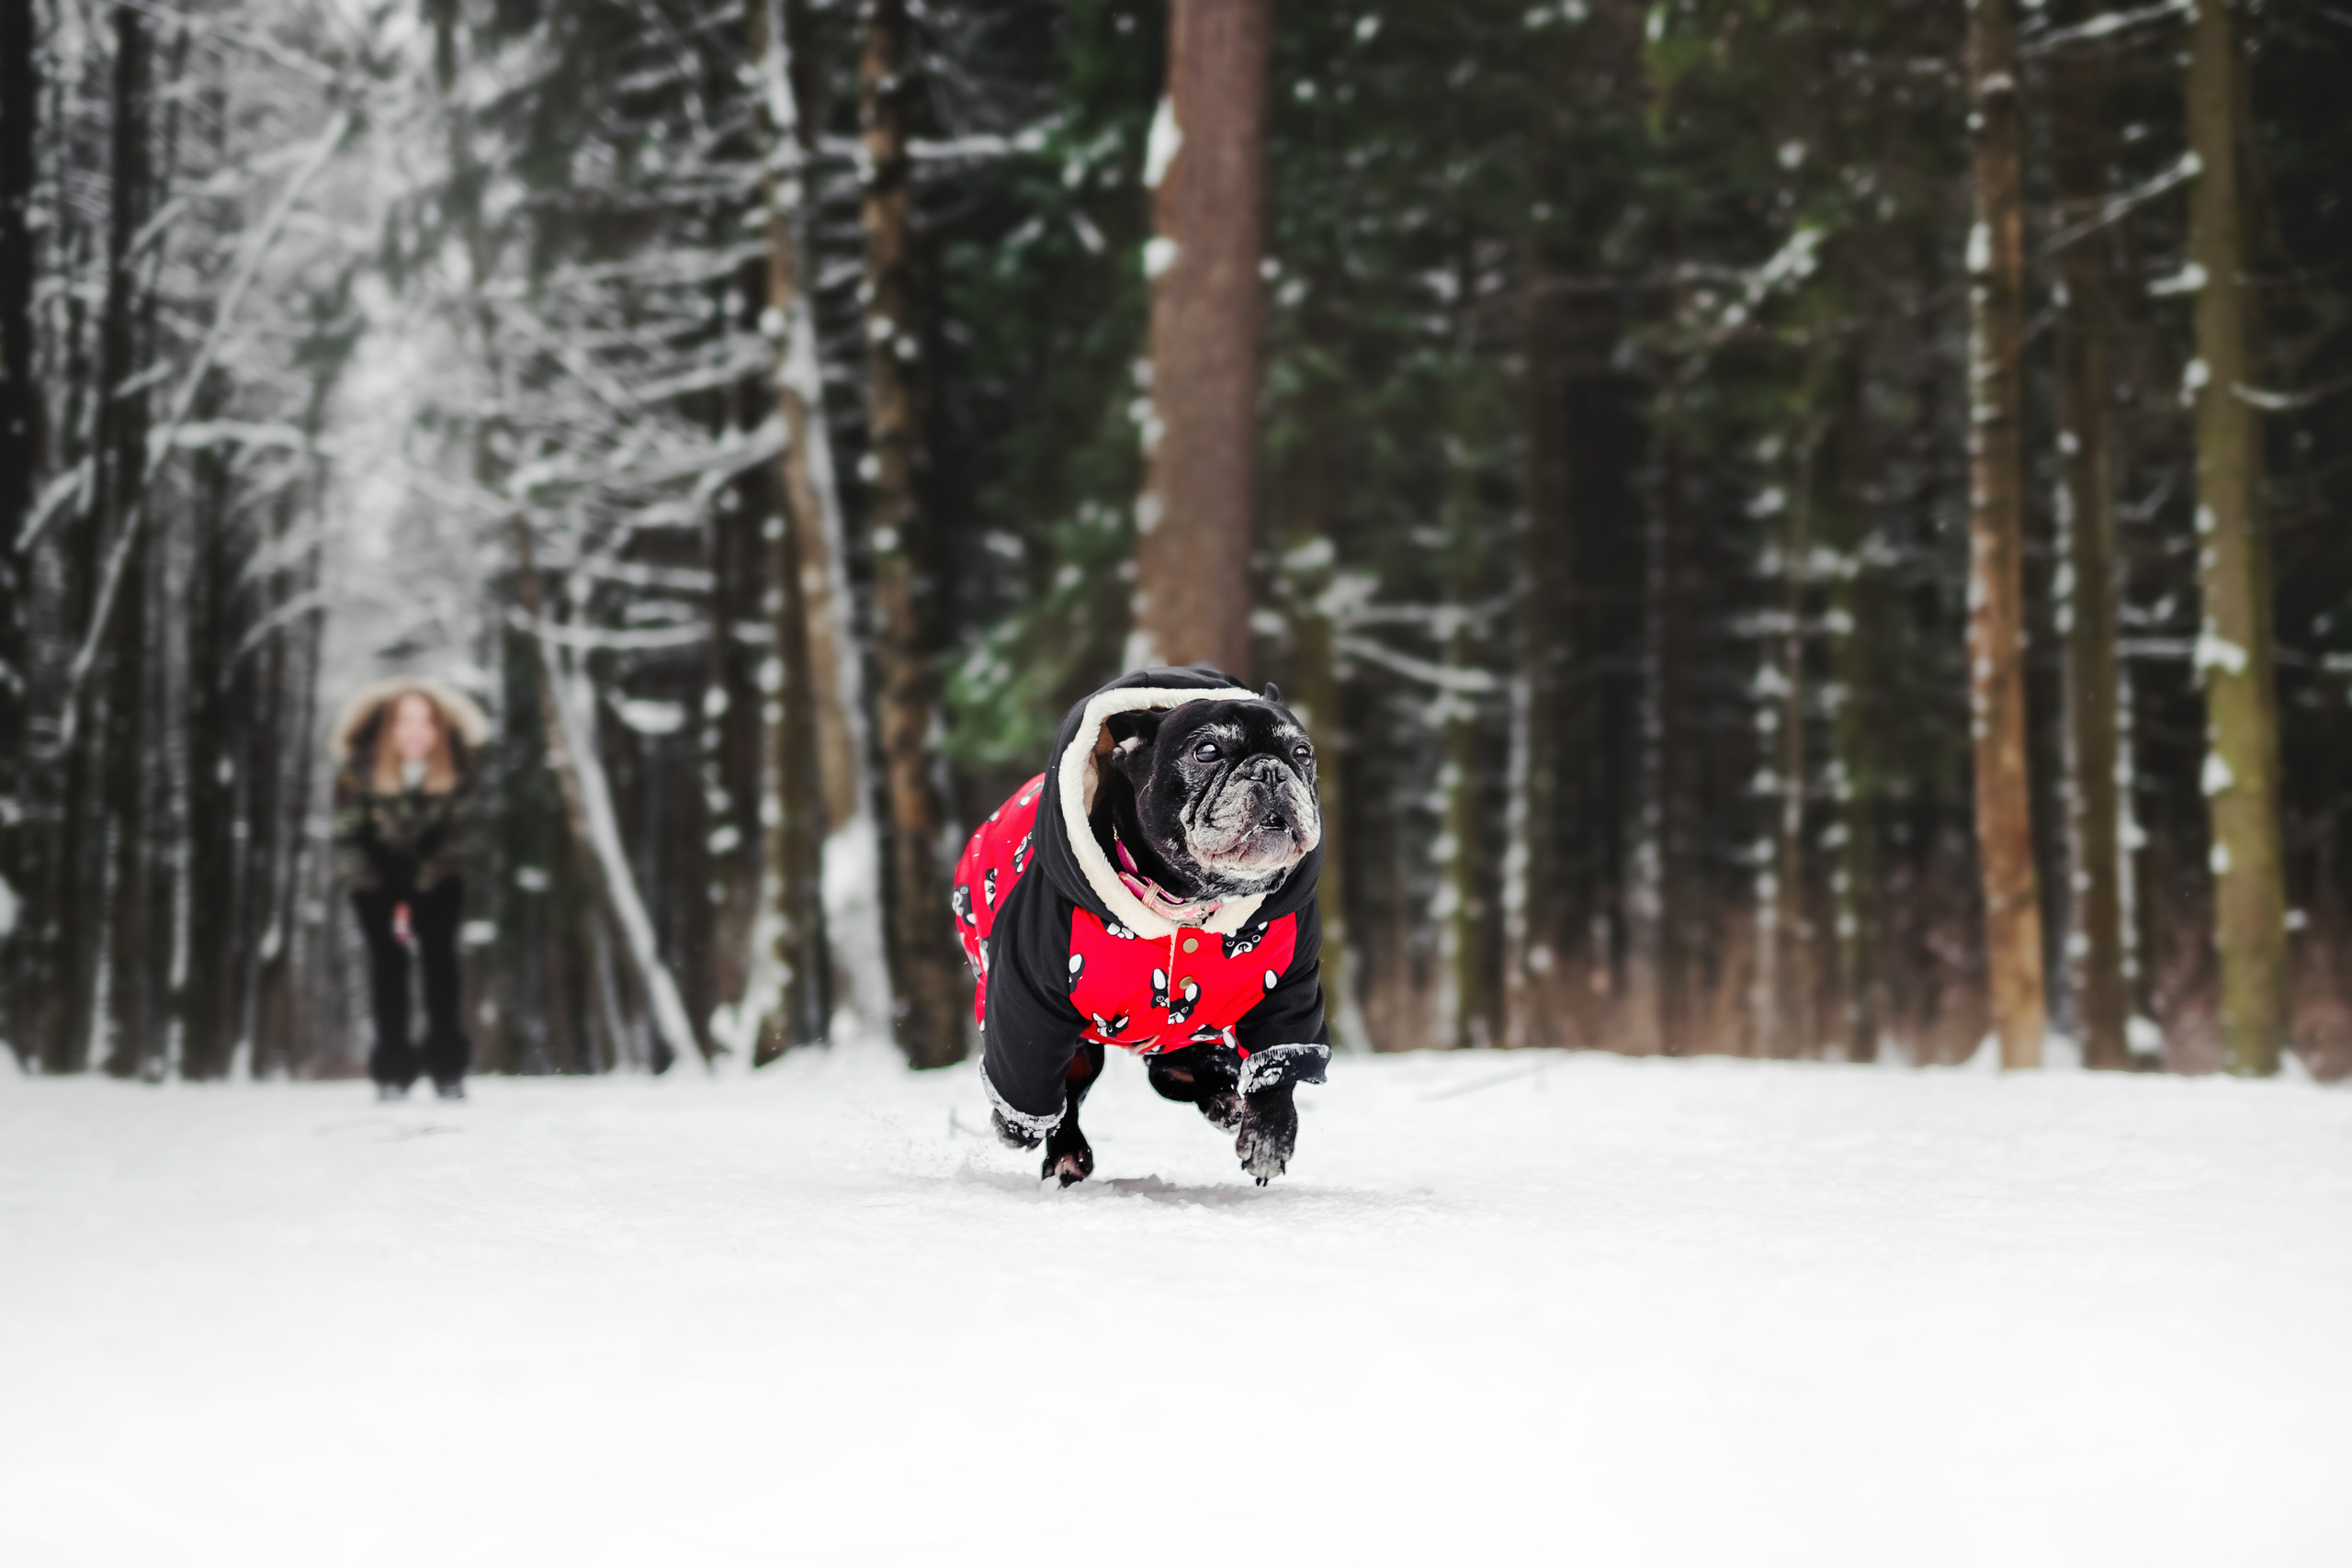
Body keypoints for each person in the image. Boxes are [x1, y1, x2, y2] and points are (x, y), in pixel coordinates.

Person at [329, 678, 490, 1100]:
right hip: (375, 887)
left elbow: (466, 834)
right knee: (389, 968)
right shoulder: (356, 771)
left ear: (440, 728)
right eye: (404, 722)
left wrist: (428, 871)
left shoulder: (460, 769)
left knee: (441, 967)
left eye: (425, 722)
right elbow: (346, 834)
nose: (415, 732)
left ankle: (447, 1068)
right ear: (387, 728)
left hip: (439, 884)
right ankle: (393, 1071)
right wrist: (378, 878)